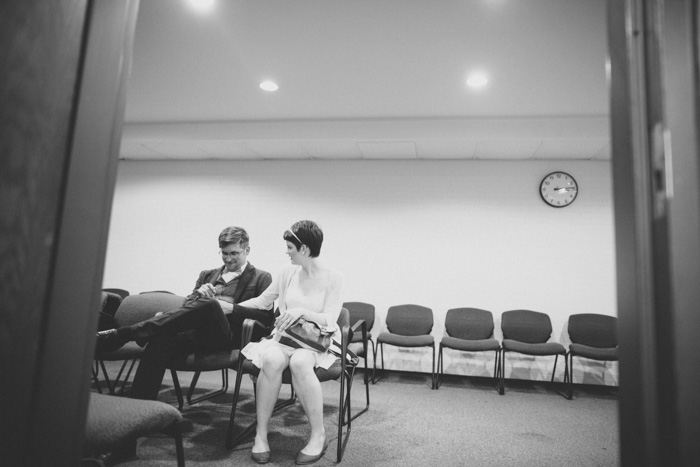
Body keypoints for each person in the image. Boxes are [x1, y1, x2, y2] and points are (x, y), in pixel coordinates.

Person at [96, 226, 273, 401]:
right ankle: (139, 403)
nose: (228, 259)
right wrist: (198, 295)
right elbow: (187, 306)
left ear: (247, 250)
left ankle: (129, 333)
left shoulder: (262, 277)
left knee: (211, 305)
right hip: (195, 333)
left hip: (226, 337)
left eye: (234, 253)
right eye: (224, 253)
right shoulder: (207, 274)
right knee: (161, 338)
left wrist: (231, 309)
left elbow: (265, 319)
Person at [235, 220, 343, 465]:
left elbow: (330, 320)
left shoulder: (334, 277)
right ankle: (260, 435)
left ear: (304, 249)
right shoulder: (287, 271)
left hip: (314, 342)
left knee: (301, 362)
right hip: (284, 338)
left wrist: (302, 312)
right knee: (272, 359)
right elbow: (264, 301)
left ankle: (319, 435)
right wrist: (230, 307)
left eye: (290, 248)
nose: (287, 252)